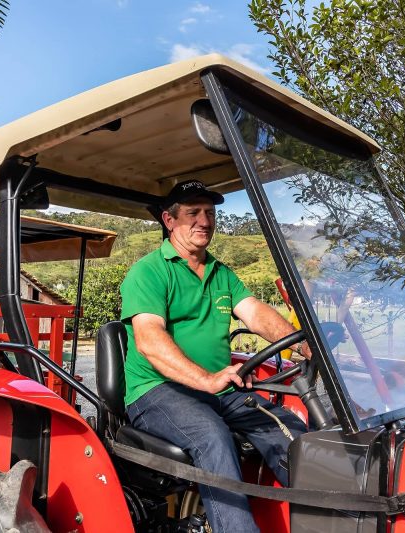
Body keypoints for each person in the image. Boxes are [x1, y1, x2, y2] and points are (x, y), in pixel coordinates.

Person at [120, 179, 309, 533]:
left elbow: (256, 314)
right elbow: (149, 339)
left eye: (210, 212)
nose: (204, 221)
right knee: (213, 436)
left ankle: (329, 516)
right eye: (193, 212)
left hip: (219, 389)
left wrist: (303, 345)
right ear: (169, 220)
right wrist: (206, 379)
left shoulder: (221, 273)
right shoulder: (149, 271)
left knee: (289, 428)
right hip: (156, 391)